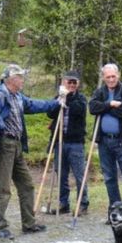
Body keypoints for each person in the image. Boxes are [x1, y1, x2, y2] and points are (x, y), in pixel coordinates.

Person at [0, 64, 64, 239]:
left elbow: (34, 105)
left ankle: (29, 223)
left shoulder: (17, 96)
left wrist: (56, 102)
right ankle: (2, 227)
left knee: (26, 185)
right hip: (6, 145)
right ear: (12, 79)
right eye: (20, 77)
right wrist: (3, 129)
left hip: (17, 145)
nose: (23, 80)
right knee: (3, 188)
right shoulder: (1, 94)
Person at [89, 63, 122, 210]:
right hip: (104, 141)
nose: (111, 79)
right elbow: (92, 108)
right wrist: (111, 104)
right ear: (103, 78)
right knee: (109, 178)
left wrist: (104, 108)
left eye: (113, 76)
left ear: (118, 75)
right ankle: (116, 209)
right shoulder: (100, 92)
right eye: (108, 77)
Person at [46, 70, 90, 216]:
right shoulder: (59, 97)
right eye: (68, 82)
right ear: (64, 83)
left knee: (79, 175)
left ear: (77, 84)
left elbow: (79, 110)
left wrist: (66, 98)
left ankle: (82, 204)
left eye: (74, 82)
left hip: (75, 143)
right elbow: (50, 113)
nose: (71, 84)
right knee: (61, 174)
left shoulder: (81, 99)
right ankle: (64, 204)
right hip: (59, 142)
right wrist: (60, 100)